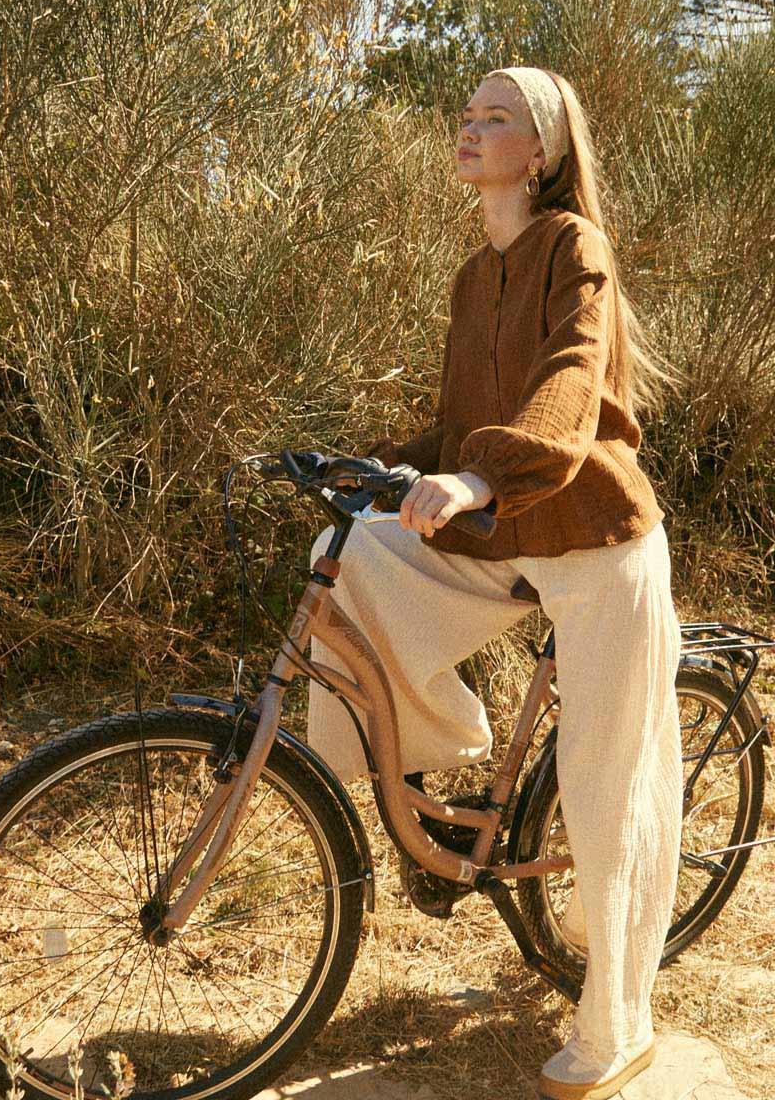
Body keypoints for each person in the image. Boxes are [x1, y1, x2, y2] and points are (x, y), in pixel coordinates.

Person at [306, 65, 683, 1100]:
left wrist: (479, 476)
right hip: (508, 534)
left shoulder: (574, 246)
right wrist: (383, 467)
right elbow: (463, 417)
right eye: (466, 115)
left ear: (543, 151)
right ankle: (434, 764)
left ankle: (617, 1029)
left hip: (597, 543)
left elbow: (566, 385)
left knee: (604, 789)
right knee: (350, 557)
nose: (469, 129)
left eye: (496, 117)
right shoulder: (475, 273)